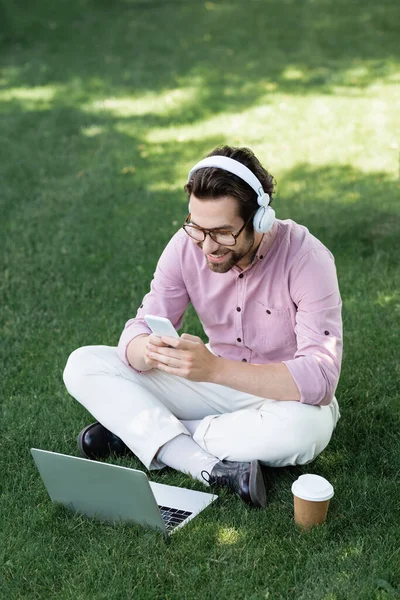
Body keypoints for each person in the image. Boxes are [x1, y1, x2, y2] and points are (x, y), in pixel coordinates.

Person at [63, 146, 342, 508]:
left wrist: (214, 369)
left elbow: (319, 379)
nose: (207, 246)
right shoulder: (187, 245)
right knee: (84, 364)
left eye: (223, 233)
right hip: (210, 382)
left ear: (260, 219)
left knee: (306, 431)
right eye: (197, 227)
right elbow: (135, 331)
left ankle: (140, 435)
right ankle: (203, 463)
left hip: (280, 394)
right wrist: (147, 349)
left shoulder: (308, 259)